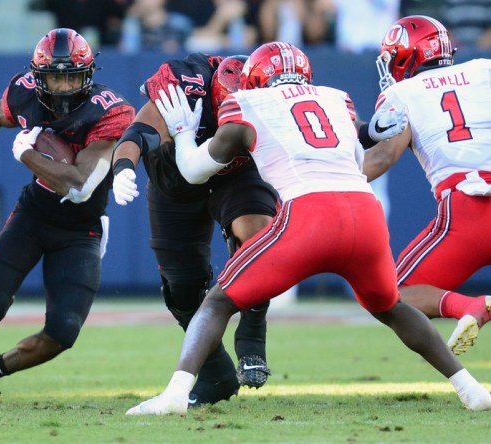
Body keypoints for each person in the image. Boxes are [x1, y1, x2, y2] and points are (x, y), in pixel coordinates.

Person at [126, 41, 491, 415]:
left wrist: (185, 134)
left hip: (309, 218)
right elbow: (359, 158)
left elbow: (191, 171)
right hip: (365, 216)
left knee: (217, 302)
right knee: (392, 307)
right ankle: (470, 389)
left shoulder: (247, 103)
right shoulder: (337, 99)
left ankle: (173, 396)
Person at [0, 28, 135, 404]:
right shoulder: (23, 92)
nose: (65, 87)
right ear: (38, 77)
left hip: (81, 229)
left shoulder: (110, 110)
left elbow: (79, 183)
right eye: (56, 76)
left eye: (72, 76)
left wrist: (27, 155)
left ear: (88, 74)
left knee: (62, 333)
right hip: (34, 215)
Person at [111, 53, 277, 406]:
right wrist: (124, 166)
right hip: (175, 182)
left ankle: (252, 334)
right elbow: (140, 130)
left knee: (258, 236)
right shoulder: (187, 84)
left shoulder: (269, 85)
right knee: (183, 287)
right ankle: (215, 371)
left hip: (236, 174)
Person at [363, 15, 491, 356]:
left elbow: (382, 158)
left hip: (467, 209)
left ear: (406, 55)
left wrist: (329, 179)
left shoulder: (402, 92)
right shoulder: (483, 70)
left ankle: (468, 305)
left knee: (391, 293)